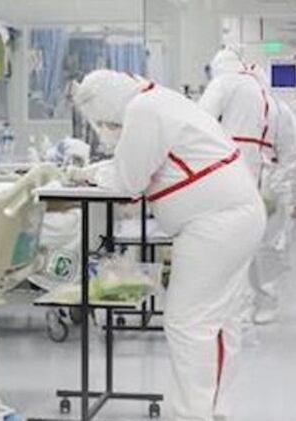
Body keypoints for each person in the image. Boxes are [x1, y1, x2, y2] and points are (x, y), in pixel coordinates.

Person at [73, 70, 265, 421]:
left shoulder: (142, 111)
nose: (106, 130)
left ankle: (193, 414)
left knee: (188, 323)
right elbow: (140, 163)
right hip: (234, 216)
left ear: (107, 109)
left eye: (105, 123)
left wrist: (91, 174)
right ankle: (216, 410)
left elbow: (128, 181)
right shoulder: (159, 100)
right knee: (219, 320)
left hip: (215, 224)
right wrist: (102, 169)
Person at [199, 51, 296, 324]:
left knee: (235, 244)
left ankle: (236, 306)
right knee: (264, 245)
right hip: (268, 183)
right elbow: (290, 154)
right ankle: (262, 302)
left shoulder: (223, 85)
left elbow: (199, 124)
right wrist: (288, 193)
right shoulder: (277, 106)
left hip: (237, 179)